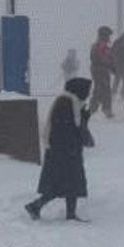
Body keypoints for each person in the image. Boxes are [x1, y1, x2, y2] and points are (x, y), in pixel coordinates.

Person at [25, 77, 95, 221]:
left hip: (68, 152)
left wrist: (85, 118)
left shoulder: (74, 104)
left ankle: (67, 213)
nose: (88, 94)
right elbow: (64, 129)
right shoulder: (65, 103)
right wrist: (72, 144)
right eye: (87, 91)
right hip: (62, 153)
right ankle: (35, 206)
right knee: (61, 184)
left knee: (70, 185)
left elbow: (76, 127)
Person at [87, 26, 115, 118]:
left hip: (100, 70)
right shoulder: (100, 46)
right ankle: (105, 109)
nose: (109, 38)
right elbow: (103, 58)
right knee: (105, 89)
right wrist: (110, 66)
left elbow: (108, 58)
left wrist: (111, 66)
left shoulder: (100, 46)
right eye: (108, 35)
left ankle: (93, 108)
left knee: (99, 89)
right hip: (100, 71)